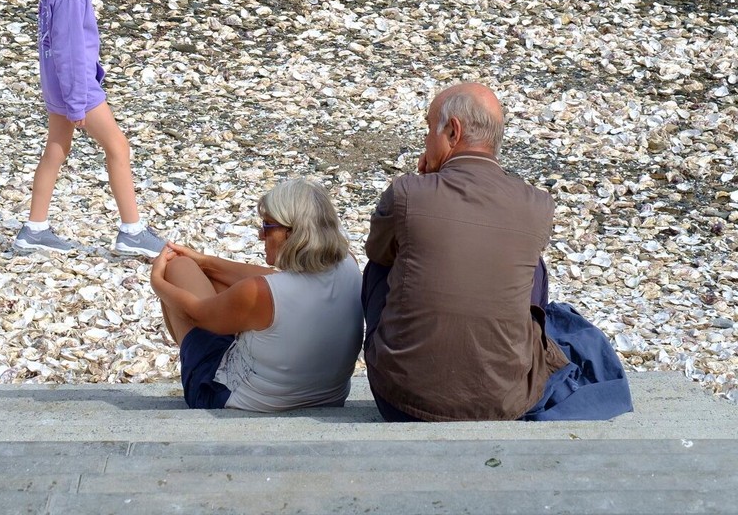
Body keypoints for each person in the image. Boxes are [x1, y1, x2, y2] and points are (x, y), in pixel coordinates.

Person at [363, 82, 632, 422]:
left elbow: (379, 252)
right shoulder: (536, 204)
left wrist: (424, 187)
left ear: (453, 131)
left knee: (382, 263)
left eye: (429, 129)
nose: (427, 140)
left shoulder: (406, 192)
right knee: (529, 263)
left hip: (401, 401)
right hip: (507, 402)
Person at [15, 0, 165, 259]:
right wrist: (77, 101)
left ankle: (34, 230)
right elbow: (69, 49)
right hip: (75, 85)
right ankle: (132, 232)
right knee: (118, 147)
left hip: (55, 80)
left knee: (56, 149)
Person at [150, 178, 363, 411]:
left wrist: (157, 281)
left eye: (267, 226)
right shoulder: (349, 264)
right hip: (328, 396)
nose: (261, 235)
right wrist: (205, 262)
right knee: (213, 279)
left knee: (179, 267)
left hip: (235, 398)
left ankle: (194, 368)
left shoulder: (262, 293)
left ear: (292, 233)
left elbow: (194, 314)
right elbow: (280, 283)